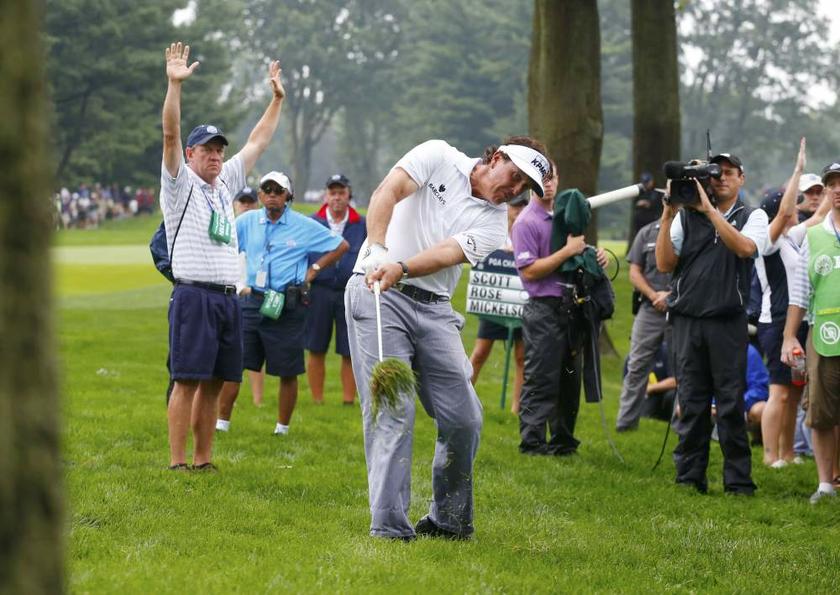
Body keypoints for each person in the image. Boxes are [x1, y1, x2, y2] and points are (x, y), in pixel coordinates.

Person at [345, 136, 552, 540]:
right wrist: (377, 250)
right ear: (496, 158)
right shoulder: (438, 156)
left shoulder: (493, 223)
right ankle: (389, 528)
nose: (514, 191)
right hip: (376, 294)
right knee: (394, 409)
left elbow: (445, 253)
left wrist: (400, 267)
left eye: (524, 188)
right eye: (514, 177)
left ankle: (449, 521)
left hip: (434, 307)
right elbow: (388, 191)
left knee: (465, 418)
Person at [161, 41, 285, 471]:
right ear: (191, 155)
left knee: (215, 382)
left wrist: (277, 100)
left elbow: (257, 142)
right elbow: (171, 134)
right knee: (187, 380)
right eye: (207, 150)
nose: (215, 156)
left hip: (228, 297)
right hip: (194, 295)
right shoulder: (179, 183)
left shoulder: (225, 183)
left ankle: (203, 459)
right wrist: (175, 86)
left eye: (219, 150)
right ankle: (178, 463)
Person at [656, 152, 768, 494]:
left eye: (728, 173)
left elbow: (746, 248)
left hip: (726, 321)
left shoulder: (753, 215)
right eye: (715, 173)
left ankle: (738, 482)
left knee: (731, 402)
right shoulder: (685, 215)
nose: (721, 178)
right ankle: (690, 477)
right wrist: (667, 215)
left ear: (741, 179)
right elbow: (663, 264)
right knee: (691, 400)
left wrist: (711, 213)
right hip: (688, 319)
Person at [216, 172, 349, 435]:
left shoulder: (303, 225)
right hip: (253, 300)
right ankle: (222, 423)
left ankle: (282, 428)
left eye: (279, 191)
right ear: (260, 195)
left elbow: (341, 245)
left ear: (289, 196)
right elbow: (226, 246)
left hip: (288, 304)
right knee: (234, 363)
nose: (273, 195)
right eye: (267, 190)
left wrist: (314, 269)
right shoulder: (247, 221)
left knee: (288, 369)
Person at [511, 162, 608, 456]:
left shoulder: (565, 216)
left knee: (570, 376)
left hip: (572, 306)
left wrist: (594, 256)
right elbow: (529, 271)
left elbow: (576, 255)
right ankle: (533, 442)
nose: (549, 183)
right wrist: (567, 252)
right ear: (530, 183)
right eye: (542, 178)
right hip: (543, 308)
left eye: (552, 177)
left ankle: (564, 441)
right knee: (542, 377)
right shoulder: (526, 222)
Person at [782, 160, 840, 503]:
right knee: (820, 411)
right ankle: (824, 484)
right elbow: (800, 292)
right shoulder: (813, 236)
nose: (837, 189)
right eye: (832, 183)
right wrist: (789, 336)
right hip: (824, 334)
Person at [305, 174, 366, 406]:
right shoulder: (313, 222)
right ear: (326, 196)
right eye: (333, 193)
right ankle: (317, 400)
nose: (337, 198)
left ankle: (348, 400)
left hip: (350, 291)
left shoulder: (362, 224)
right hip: (319, 290)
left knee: (349, 349)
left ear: (349, 195)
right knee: (316, 346)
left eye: (341, 193)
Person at [468, 193, 528, 414]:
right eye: (515, 206)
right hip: (494, 300)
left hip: (520, 303)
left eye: (523, 206)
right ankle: (464, 397)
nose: (519, 211)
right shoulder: (496, 232)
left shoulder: (528, 234)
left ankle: (516, 407)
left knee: (522, 355)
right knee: (480, 351)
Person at [615, 217, 672, 432]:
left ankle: (682, 425)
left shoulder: (694, 228)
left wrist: (672, 295)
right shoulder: (647, 232)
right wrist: (653, 295)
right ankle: (625, 424)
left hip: (682, 310)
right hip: (649, 308)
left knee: (686, 368)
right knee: (637, 366)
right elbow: (634, 271)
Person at [627, 172, 665, 251]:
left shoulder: (657, 192)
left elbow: (660, 205)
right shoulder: (639, 192)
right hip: (640, 221)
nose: (646, 184)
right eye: (644, 182)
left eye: (647, 182)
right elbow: (635, 204)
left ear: (652, 181)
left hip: (652, 220)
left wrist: (649, 204)